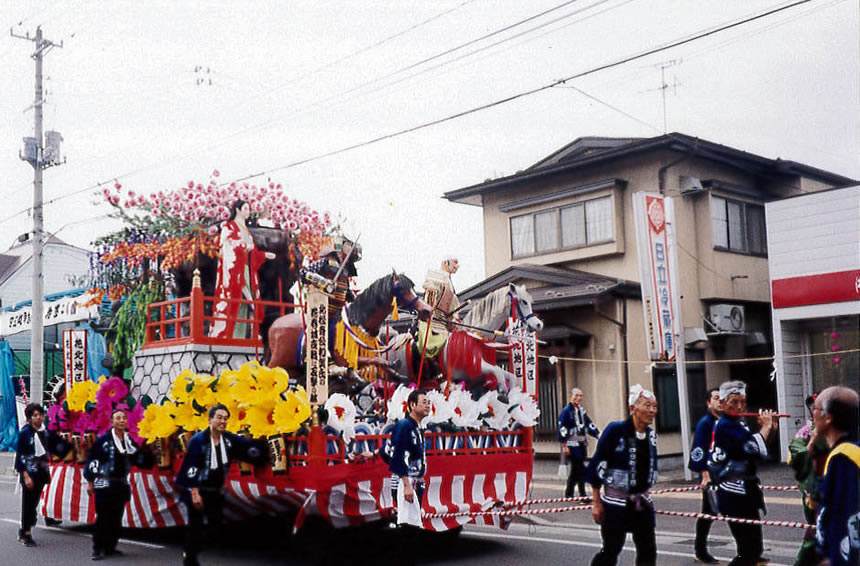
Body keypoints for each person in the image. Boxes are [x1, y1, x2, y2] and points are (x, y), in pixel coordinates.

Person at [176, 404, 267, 566]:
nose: (222, 421)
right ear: (210, 419)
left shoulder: (228, 439)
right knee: (195, 527)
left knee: (214, 529)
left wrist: (267, 447)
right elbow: (191, 468)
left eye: (225, 418)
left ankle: (193, 549)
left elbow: (246, 447)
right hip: (197, 490)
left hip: (215, 492)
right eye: (219, 418)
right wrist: (195, 494)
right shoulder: (199, 441)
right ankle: (189, 559)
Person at [586, 384, 659, 566]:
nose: (652, 411)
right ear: (632, 409)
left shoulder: (651, 436)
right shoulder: (615, 430)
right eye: (647, 406)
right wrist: (596, 503)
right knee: (611, 550)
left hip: (642, 502)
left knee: (648, 550)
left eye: (654, 406)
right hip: (614, 503)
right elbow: (598, 465)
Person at [707, 380, 778, 566]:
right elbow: (751, 446)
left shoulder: (739, 424)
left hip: (747, 491)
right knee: (747, 551)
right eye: (734, 402)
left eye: (743, 402)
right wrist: (765, 427)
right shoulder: (724, 426)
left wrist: (771, 429)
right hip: (733, 492)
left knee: (755, 549)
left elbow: (757, 453)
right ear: (722, 404)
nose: (740, 406)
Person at [84, 408, 149, 560]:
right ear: (112, 422)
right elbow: (93, 460)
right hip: (104, 483)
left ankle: (110, 546)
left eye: (124, 418)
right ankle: (98, 548)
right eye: (118, 418)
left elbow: (137, 457)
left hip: (120, 483)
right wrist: (90, 482)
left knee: (116, 516)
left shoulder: (128, 440)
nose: (121, 421)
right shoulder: (103, 440)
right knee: (103, 517)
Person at [211, 199, 275, 339]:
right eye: (245, 208)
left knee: (247, 303)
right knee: (235, 300)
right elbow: (227, 248)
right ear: (238, 210)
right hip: (234, 270)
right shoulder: (229, 227)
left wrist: (264, 255)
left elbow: (253, 253)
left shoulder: (245, 230)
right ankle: (229, 336)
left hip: (247, 269)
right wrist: (244, 246)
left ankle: (242, 336)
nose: (248, 211)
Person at [811, 386, 859, 566]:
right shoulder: (853, 449)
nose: (812, 415)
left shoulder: (843, 458)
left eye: (815, 409)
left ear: (828, 417)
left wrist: (832, 556)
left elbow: (844, 518)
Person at [14, 402, 70, 547]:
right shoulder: (25, 433)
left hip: (42, 470)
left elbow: (59, 445)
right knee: (28, 503)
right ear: (29, 418)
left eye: (40, 415)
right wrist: (25, 475)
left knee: (34, 501)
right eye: (35, 415)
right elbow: (20, 456)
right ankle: (25, 533)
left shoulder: (46, 432)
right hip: (29, 471)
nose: (38, 418)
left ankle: (27, 525)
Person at [788, 394, 829, 566]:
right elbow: (796, 456)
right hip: (816, 489)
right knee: (816, 531)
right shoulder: (805, 433)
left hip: (841, 486)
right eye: (815, 408)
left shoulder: (841, 428)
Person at [688, 387, 722, 564]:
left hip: (728, 473)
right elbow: (699, 450)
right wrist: (705, 475)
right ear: (709, 403)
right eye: (716, 398)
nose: (720, 401)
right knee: (708, 513)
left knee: (741, 511)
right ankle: (700, 551)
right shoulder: (705, 423)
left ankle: (750, 550)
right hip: (711, 474)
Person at [558, 387, 600, 499]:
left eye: (580, 396)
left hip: (581, 443)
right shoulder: (567, 411)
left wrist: (597, 435)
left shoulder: (581, 411)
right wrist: (564, 445)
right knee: (579, 468)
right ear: (571, 396)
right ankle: (581, 493)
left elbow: (589, 424)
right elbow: (562, 428)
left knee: (577, 470)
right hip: (572, 444)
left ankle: (571, 493)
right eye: (576, 395)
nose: (578, 398)